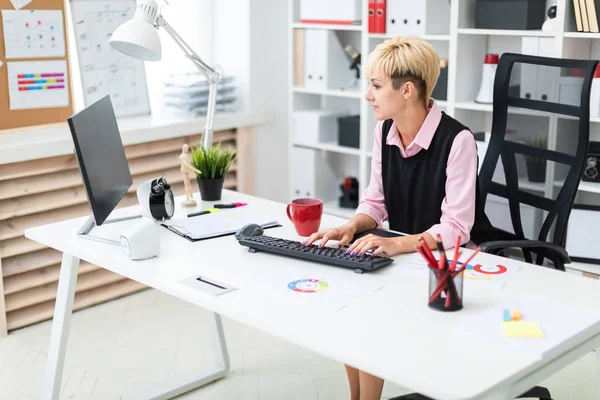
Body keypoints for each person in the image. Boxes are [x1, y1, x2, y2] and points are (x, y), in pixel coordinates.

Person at [304, 36, 496, 400]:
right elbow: (375, 202)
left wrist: (393, 244)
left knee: (370, 318)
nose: (368, 95)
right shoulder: (384, 131)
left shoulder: (458, 141)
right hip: (406, 255)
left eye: (375, 86)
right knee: (347, 308)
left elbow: (456, 230)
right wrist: (351, 225)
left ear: (407, 90)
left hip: (448, 266)